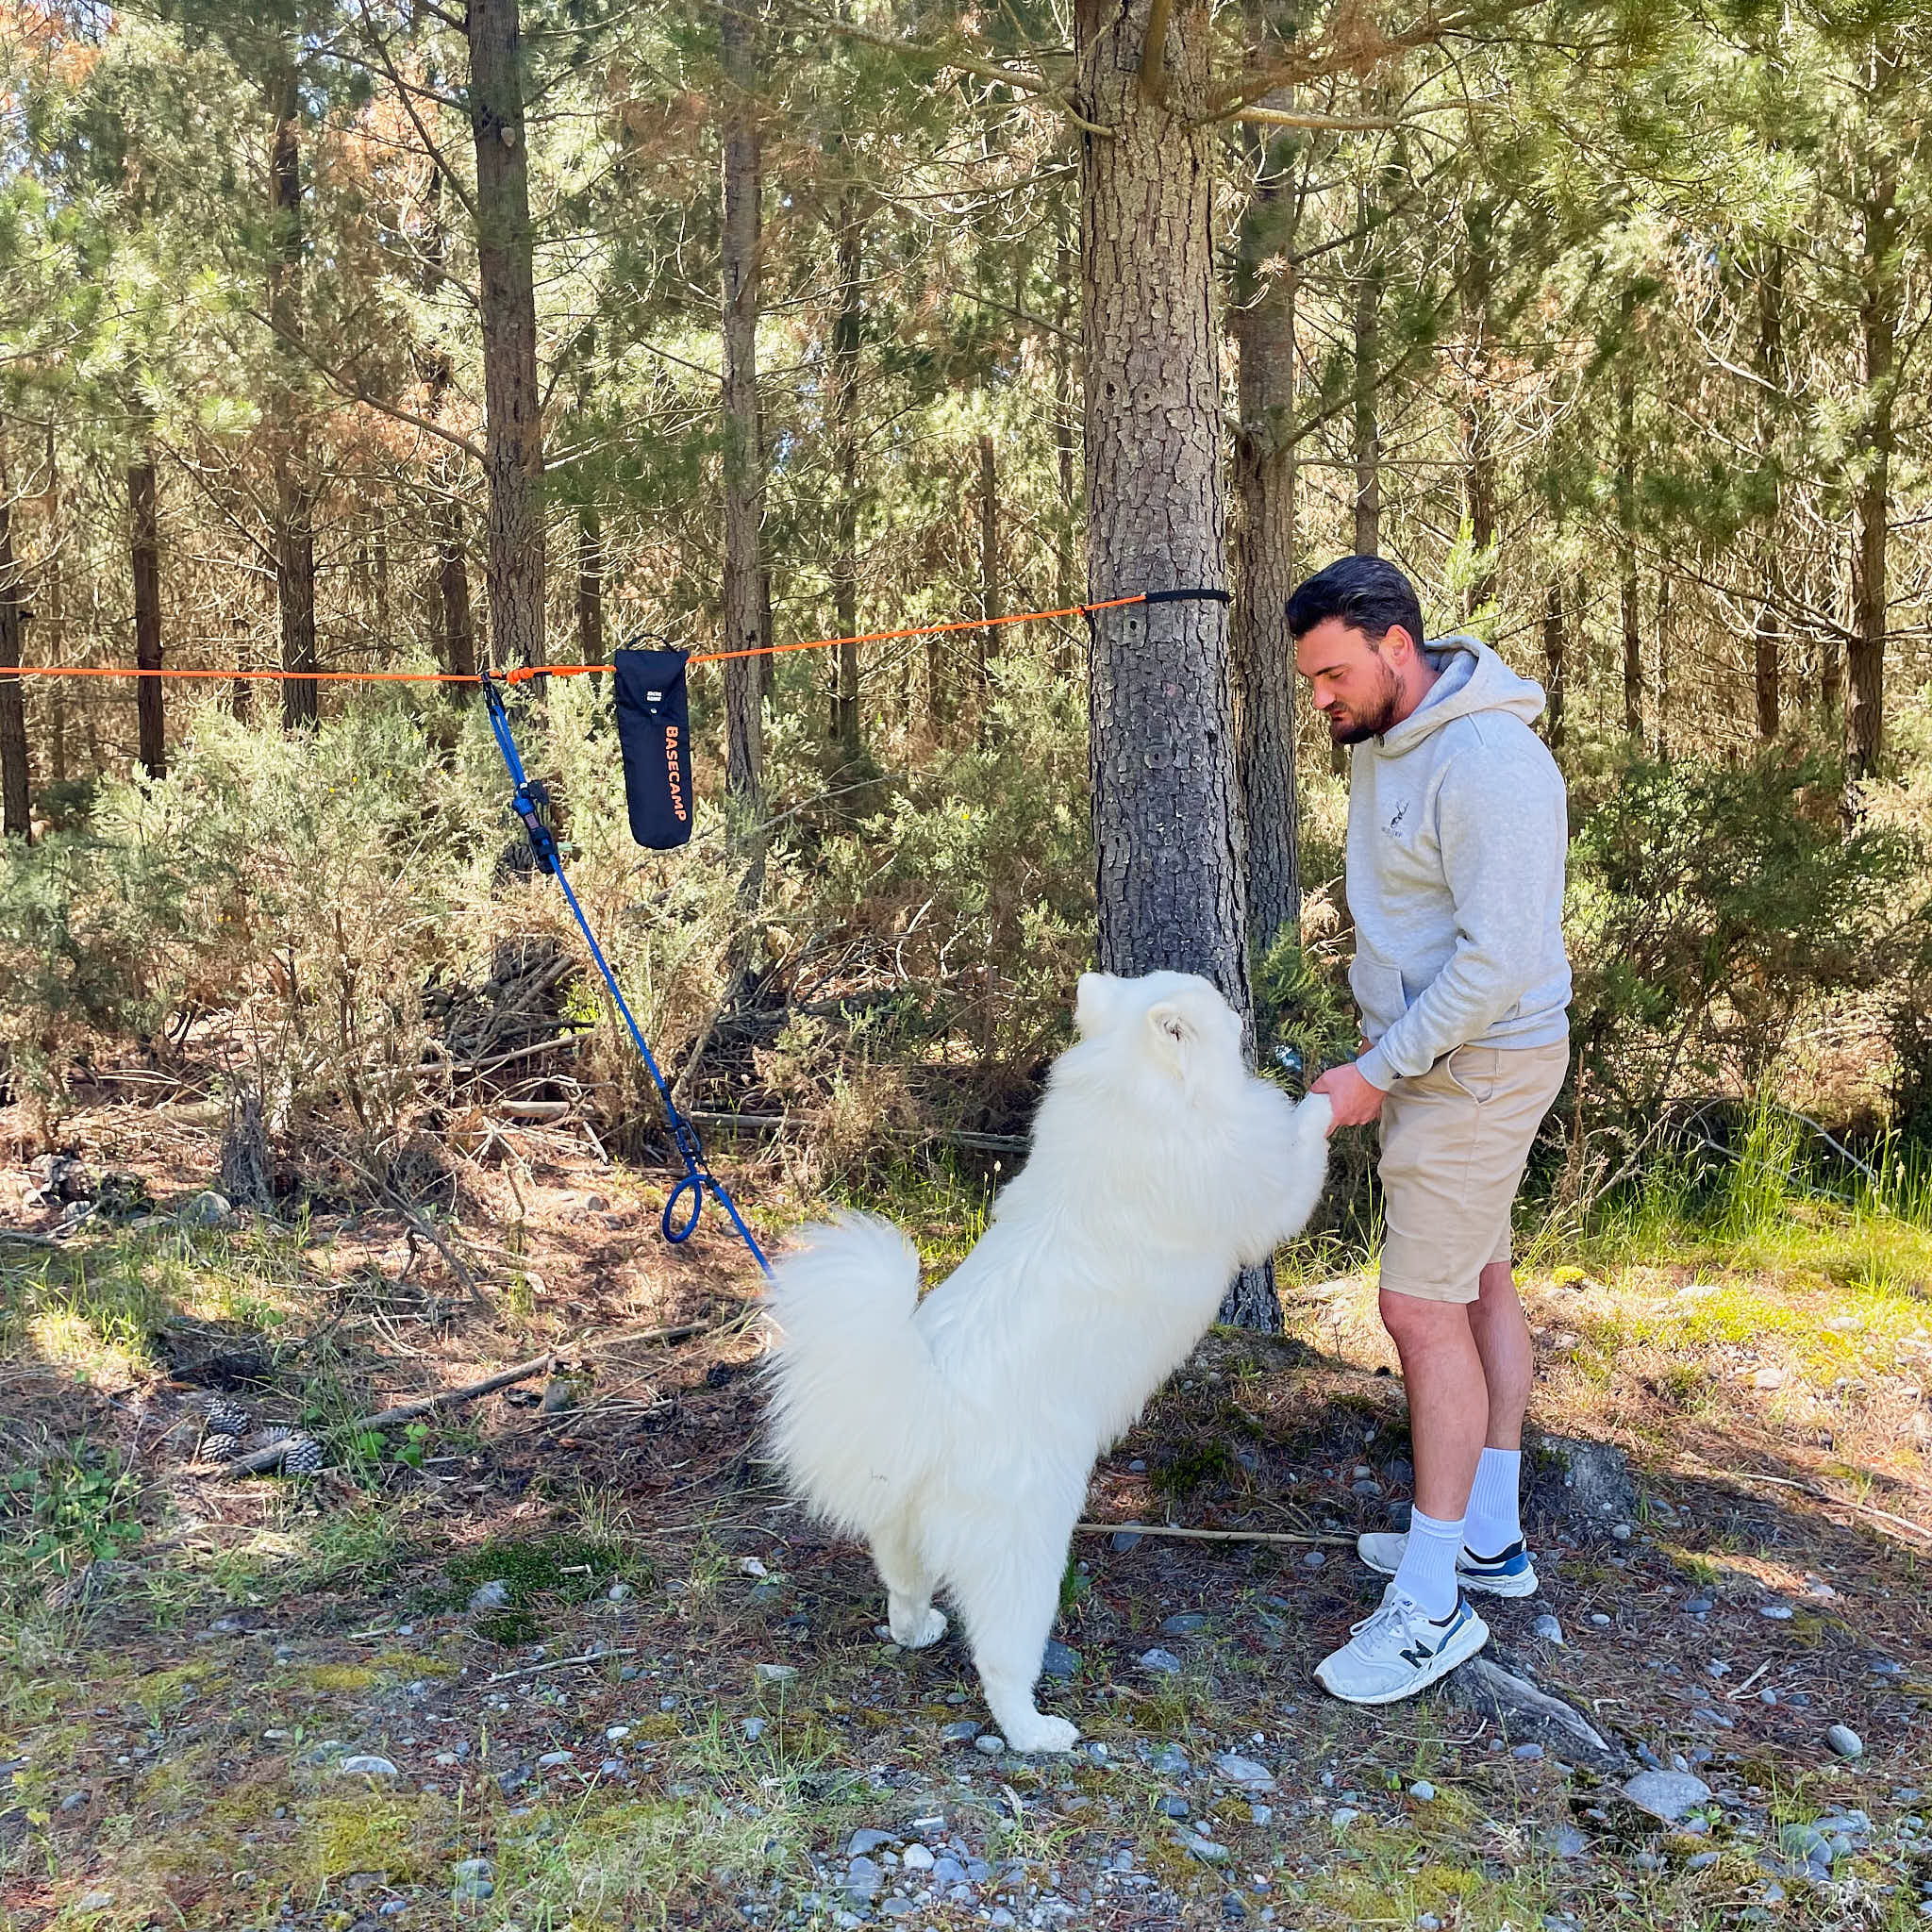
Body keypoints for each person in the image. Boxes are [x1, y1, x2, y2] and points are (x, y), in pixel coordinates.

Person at [1289, 555, 1572, 1706]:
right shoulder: (1390, 736)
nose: (1321, 699)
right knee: (1475, 1279)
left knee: (1416, 1307)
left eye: (1334, 674)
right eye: (1311, 679)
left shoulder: (1491, 761)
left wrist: (1373, 1070)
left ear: (1396, 645)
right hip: (1436, 1061)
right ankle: (1485, 1542)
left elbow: (1495, 963)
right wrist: (1380, 1054)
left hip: (1477, 1065)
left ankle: (1431, 1603)